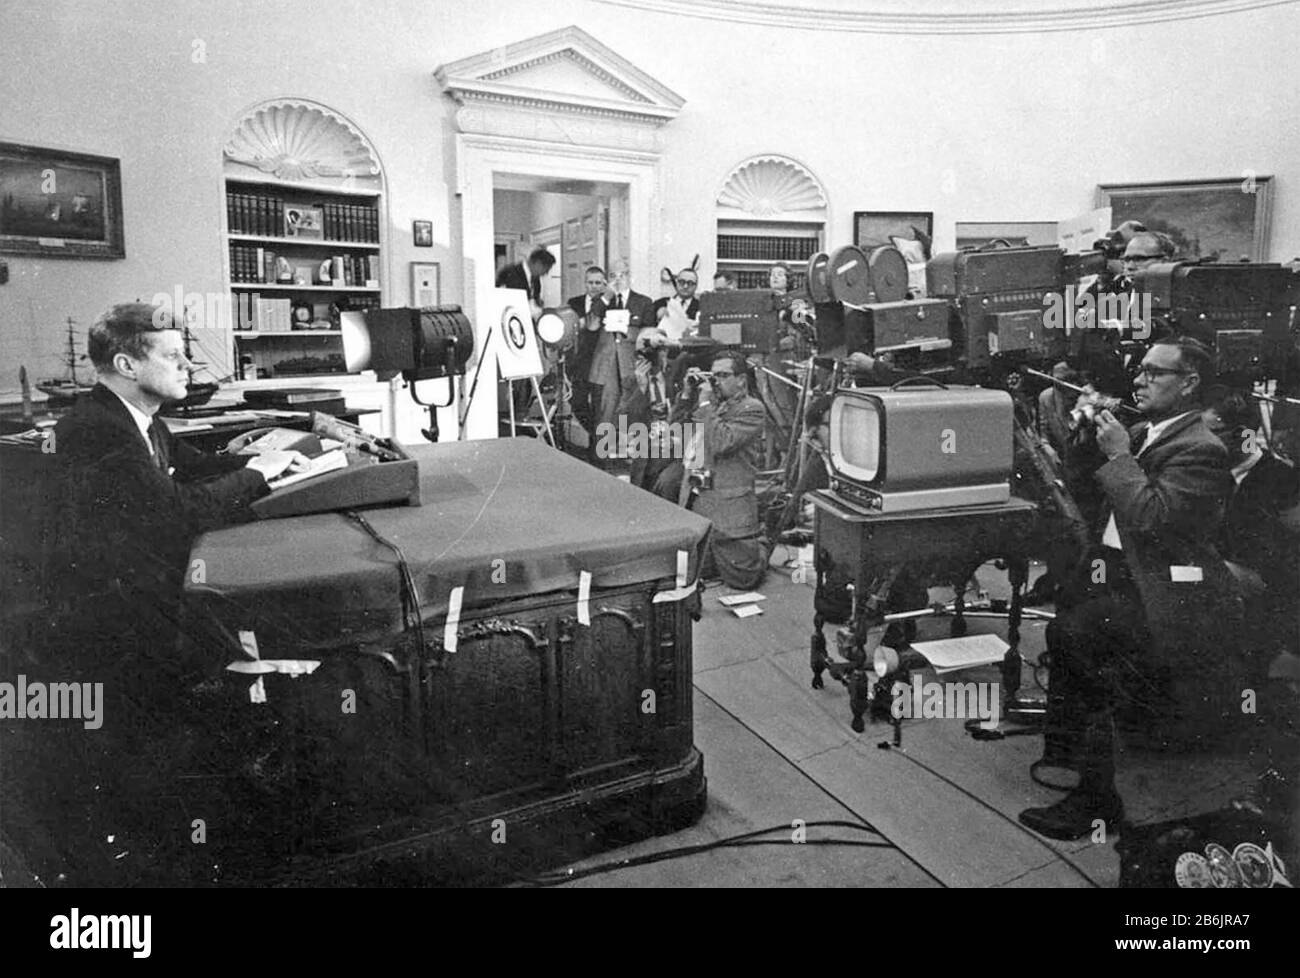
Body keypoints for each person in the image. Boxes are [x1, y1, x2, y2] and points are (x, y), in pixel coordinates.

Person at [1019, 336, 1242, 841]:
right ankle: (1072, 760)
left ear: (1189, 384)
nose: (1139, 380)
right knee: (1066, 634)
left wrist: (1119, 453)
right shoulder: (1146, 429)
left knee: (1094, 651)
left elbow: (1152, 520)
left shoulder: (1202, 449)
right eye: (1138, 370)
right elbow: (1086, 488)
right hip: (1118, 571)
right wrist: (1083, 437)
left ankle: (1098, 803)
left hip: (1165, 591)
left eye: (1154, 373)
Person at [1202, 387, 1300, 657]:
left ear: (1243, 434)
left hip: (1265, 613)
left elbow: (1287, 566)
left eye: (1209, 434)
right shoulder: (1206, 474)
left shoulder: (1283, 480)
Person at [678, 353, 767, 590]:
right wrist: (687, 396)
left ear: (741, 379)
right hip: (699, 501)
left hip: (728, 509)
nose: (716, 381)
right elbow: (675, 432)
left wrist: (706, 405)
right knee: (690, 576)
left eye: (723, 375)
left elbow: (722, 442)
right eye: (713, 375)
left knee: (742, 580)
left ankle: (761, 543)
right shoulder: (711, 405)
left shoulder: (752, 409)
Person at [586, 258, 654, 459]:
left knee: (632, 409)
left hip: (631, 363)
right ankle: (603, 458)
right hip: (606, 365)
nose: (618, 280)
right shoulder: (602, 301)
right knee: (605, 412)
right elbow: (591, 325)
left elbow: (648, 332)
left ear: (629, 276)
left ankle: (630, 458)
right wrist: (606, 298)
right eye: (613, 276)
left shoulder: (643, 302)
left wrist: (627, 331)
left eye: (622, 275)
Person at [566, 265, 607, 445]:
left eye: (598, 282)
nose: (594, 286)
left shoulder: (610, 304)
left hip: (601, 362)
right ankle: (596, 436)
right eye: (590, 282)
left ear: (604, 284)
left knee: (601, 407)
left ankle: (596, 449)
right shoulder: (574, 303)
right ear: (585, 283)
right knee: (578, 404)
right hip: (580, 363)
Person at [496, 246, 556, 320]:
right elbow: (509, 302)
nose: (546, 273)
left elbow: (535, 297)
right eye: (546, 269)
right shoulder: (510, 273)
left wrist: (537, 303)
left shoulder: (536, 278)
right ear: (537, 264)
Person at [652, 267, 700, 343]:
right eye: (682, 282)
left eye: (690, 283)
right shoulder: (660, 304)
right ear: (676, 283)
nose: (685, 286)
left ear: (696, 286)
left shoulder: (701, 307)